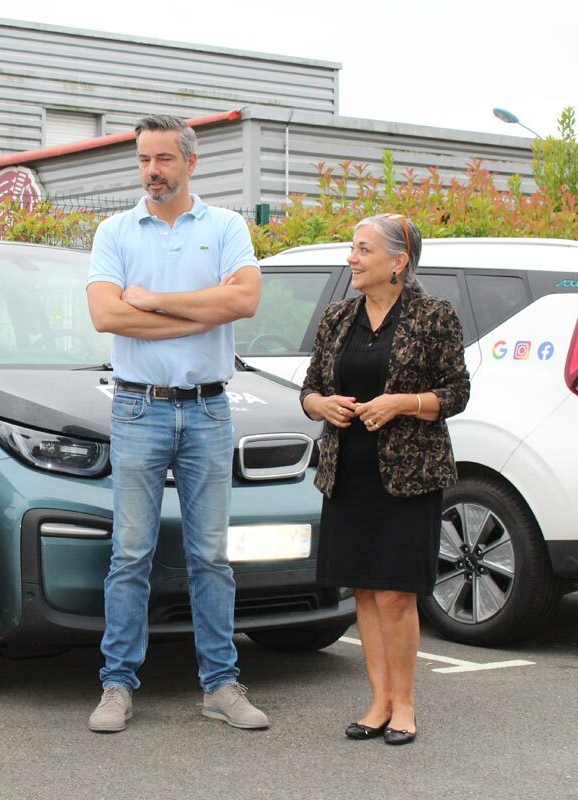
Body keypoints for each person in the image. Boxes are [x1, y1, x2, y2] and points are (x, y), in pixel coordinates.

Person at [85, 114, 264, 733]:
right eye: (143, 159)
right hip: (138, 405)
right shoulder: (115, 230)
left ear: (190, 162)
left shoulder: (225, 227)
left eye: (163, 159)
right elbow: (106, 315)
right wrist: (199, 314)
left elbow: (242, 300)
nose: (151, 171)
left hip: (210, 407)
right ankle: (116, 685)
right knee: (130, 553)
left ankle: (219, 684)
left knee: (210, 556)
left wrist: (155, 301)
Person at [300, 213, 469, 745]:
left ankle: (405, 705)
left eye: (363, 249)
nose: (351, 258)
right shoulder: (337, 318)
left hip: (409, 476)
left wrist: (404, 403)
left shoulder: (433, 315)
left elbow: (457, 392)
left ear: (399, 261)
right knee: (366, 592)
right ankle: (377, 702)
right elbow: (307, 391)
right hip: (347, 472)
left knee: (397, 594)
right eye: (352, 248)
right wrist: (321, 405)